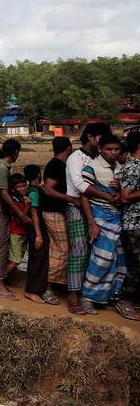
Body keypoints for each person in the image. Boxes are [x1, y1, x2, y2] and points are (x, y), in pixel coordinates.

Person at [66, 123, 111, 314]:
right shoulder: (76, 157)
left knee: (95, 253)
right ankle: (73, 296)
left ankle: (90, 294)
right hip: (76, 208)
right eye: (102, 138)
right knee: (78, 251)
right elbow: (78, 184)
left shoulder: (98, 158)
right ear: (91, 137)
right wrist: (108, 196)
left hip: (96, 208)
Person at [0, 138, 22, 300]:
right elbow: (3, 192)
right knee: (2, 245)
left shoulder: (2, 166)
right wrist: (18, 212)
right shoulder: (2, 168)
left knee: (3, 245)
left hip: (0, 209)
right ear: (15, 153)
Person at [41, 137, 74, 297]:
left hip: (54, 211)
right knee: (62, 249)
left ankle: (54, 284)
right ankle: (48, 287)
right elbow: (48, 189)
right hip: (53, 211)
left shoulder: (56, 163)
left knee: (57, 248)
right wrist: (70, 199)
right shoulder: (57, 165)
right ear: (69, 148)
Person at [22, 165, 57, 304]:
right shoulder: (34, 193)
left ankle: (34, 288)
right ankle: (32, 291)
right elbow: (34, 214)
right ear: (38, 175)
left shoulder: (32, 189)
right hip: (37, 229)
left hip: (36, 229)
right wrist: (38, 235)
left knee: (37, 258)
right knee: (38, 259)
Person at [118, 131, 140, 319]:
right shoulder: (133, 167)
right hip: (134, 222)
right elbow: (126, 196)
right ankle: (125, 301)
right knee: (137, 264)